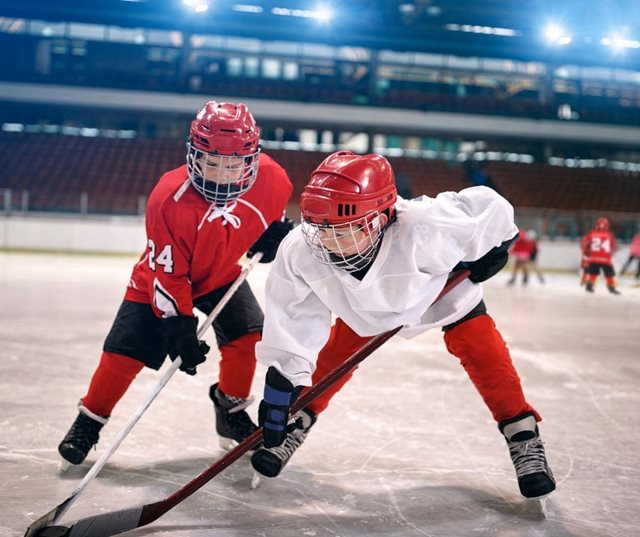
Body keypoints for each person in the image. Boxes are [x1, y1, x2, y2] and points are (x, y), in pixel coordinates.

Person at [250, 150, 556, 501]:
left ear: (380, 218)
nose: (329, 243)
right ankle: (298, 421)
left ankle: (523, 434)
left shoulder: (427, 225)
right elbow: (293, 317)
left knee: (482, 349)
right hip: (365, 308)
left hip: (437, 292)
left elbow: (493, 207)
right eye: (322, 228)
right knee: (334, 356)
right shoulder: (302, 248)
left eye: (344, 231)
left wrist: (498, 246)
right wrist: (281, 390)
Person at [57, 101, 293, 465]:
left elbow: (269, 219)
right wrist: (178, 325)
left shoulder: (275, 180)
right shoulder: (168, 198)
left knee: (248, 337)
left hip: (220, 275)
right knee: (123, 354)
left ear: (251, 159)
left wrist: (271, 236)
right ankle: (89, 420)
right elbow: (168, 273)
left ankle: (229, 411)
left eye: (232, 165)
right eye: (211, 162)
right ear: (193, 156)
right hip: (159, 279)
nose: (221, 175)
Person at [581, 217, 620, 294]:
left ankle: (589, 285)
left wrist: (588, 252)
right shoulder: (609, 235)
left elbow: (585, 245)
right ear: (607, 226)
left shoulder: (591, 234)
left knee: (593, 273)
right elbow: (613, 247)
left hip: (594, 258)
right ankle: (611, 287)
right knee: (609, 274)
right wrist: (610, 255)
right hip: (606, 259)